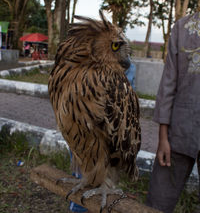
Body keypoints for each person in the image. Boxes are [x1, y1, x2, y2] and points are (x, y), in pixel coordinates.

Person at [146, 11, 200, 213]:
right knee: (157, 204)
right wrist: (163, 138)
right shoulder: (182, 27)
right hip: (178, 133)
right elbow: (168, 84)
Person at [69, 57, 137, 213]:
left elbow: (126, 107)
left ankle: (104, 185)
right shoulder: (78, 58)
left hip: (107, 133)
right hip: (80, 129)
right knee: (82, 186)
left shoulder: (125, 63)